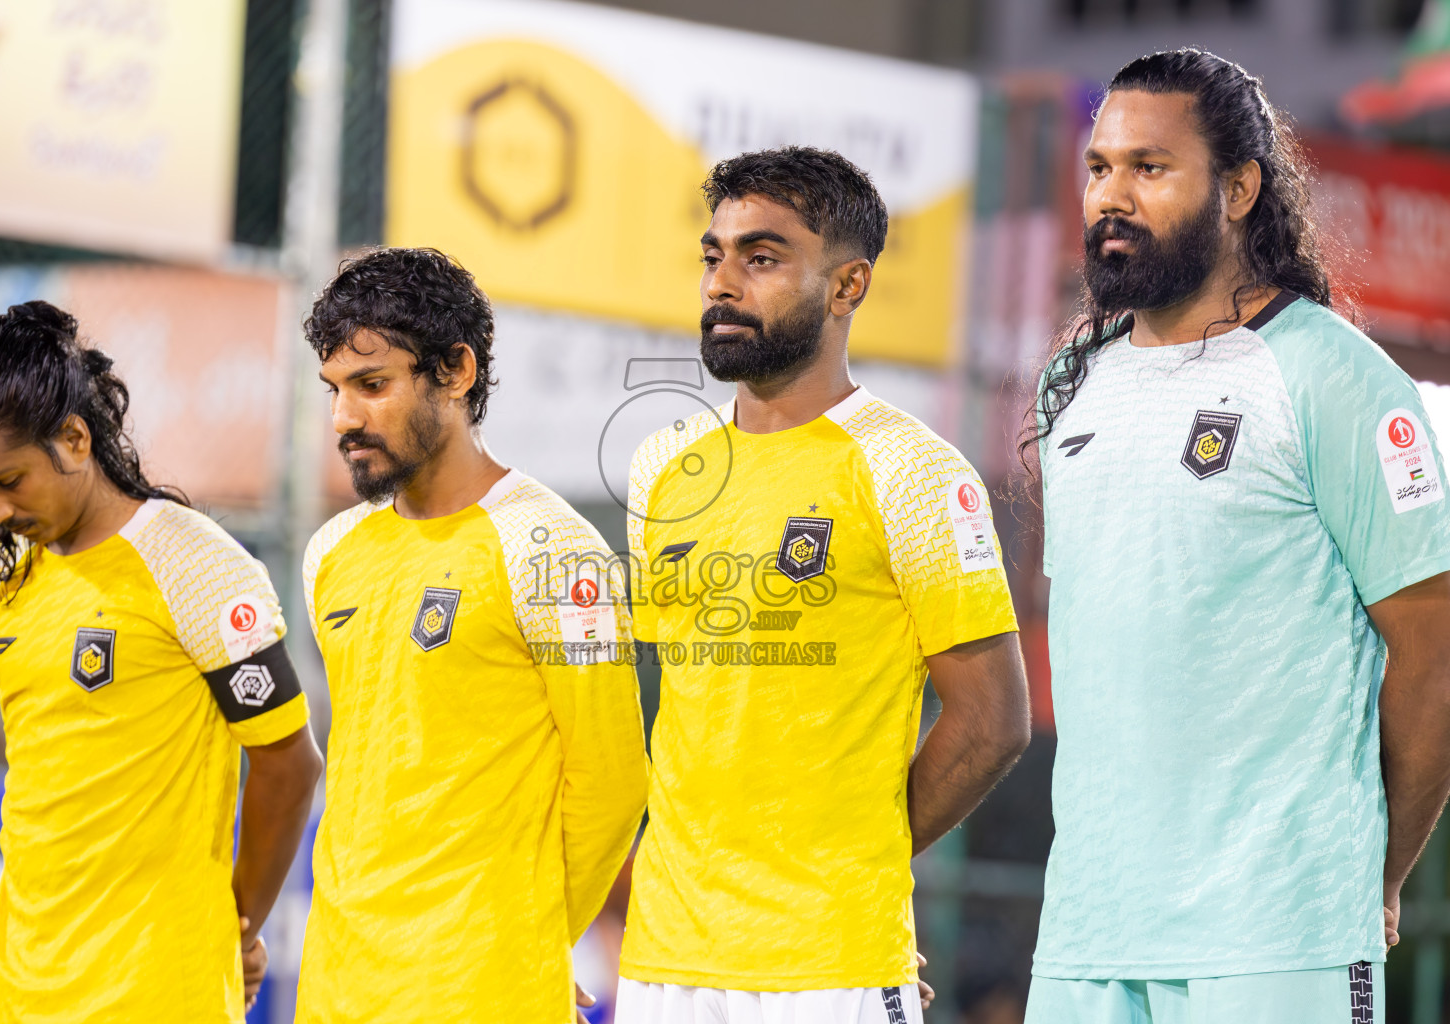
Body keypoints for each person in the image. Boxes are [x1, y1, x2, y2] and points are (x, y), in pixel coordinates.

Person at [1024, 49, 1450, 1024]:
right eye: (1099, 168)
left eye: (1150, 167)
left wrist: (1370, 874)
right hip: (1087, 938)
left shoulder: (1334, 378)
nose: (1112, 195)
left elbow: (1433, 656)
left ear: (1240, 188)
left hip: (1279, 934)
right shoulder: (1072, 388)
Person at [616, 147, 1031, 1024]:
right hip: (662, 960)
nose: (722, 283)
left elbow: (994, 722)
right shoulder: (660, 469)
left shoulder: (913, 472)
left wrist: (864, 869)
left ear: (848, 287)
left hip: (829, 962)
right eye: (713, 255)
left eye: (760, 258)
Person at [0, 301, 324, 1023]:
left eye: (8, 482)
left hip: (156, 991)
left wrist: (237, 927)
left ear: (74, 439)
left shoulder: (192, 565)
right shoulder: (1, 579)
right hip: (18, 985)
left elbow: (288, 763)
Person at [294, 247, 649, 1023]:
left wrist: (535, 938)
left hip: (477, 990)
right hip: (335, 985)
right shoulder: (332, 555)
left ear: (455, 372)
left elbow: (614, 782)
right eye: (334, 390)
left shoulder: (552, 551)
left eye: (372, 385)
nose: (345, 419)